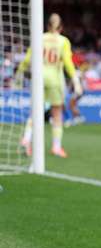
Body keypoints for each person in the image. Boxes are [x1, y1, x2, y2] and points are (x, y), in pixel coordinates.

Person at [19, 13, 82, 158]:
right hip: (54, 80)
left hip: (38, 78)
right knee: (57, 113)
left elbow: (28, 59)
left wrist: (19, 72)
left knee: (35, 111)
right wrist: (75, 80)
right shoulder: (63, 41)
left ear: (47, 26)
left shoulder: (39, 38)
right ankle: (56, 147)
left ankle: (26, 139)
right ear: (61, 27)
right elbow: (68, 62)